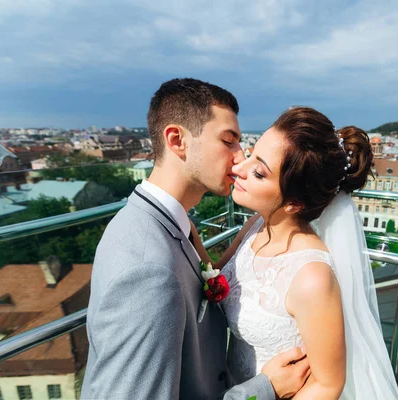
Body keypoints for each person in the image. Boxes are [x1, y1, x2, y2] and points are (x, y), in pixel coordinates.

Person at [81, 79, 310, 400]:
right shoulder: (149, 269)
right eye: (228, 140)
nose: (240, 156)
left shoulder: (166, 224)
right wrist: (264, 389)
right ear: (177, 140)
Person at [191, 106, 398, 399]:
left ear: (294, 203)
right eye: (250, 155)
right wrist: (180, 220)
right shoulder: (257, 225)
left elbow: (328, 384)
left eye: (259, 172)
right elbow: (216, 270)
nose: (239, 168)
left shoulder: (312, 277)